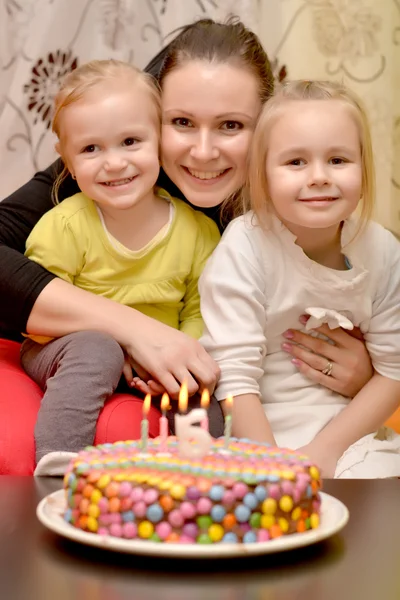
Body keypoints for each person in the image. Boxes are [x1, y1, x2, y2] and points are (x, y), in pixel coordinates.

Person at [0, 19, 374, 474]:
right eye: (180, 123)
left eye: (231, 125)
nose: (202, 151)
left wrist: (366, 373)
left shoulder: (300, 202)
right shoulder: (112, 170)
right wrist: (137, 329)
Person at [19, 59, 222, 474]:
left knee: (200, 382)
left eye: (131, 141)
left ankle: (208, 473)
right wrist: (122, 345)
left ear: (160, 142)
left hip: (157, 356)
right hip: (66, 350)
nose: (114, 163)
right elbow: (38, 319)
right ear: (68, 161)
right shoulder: (64, 226)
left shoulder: (197, 231)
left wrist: (178, 351)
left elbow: (201, 308)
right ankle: (58, 465)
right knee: (98, 350)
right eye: (91, 149)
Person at [199, 79, 400, 478]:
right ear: (264, 176)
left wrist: (323, 452)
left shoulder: (383, 250)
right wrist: (275, 469)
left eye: (338, 161)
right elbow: (235, 375)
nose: (319, 176)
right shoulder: (246, 244)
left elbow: (394, 370)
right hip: (259, 439)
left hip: (351, 438)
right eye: (296, 162)